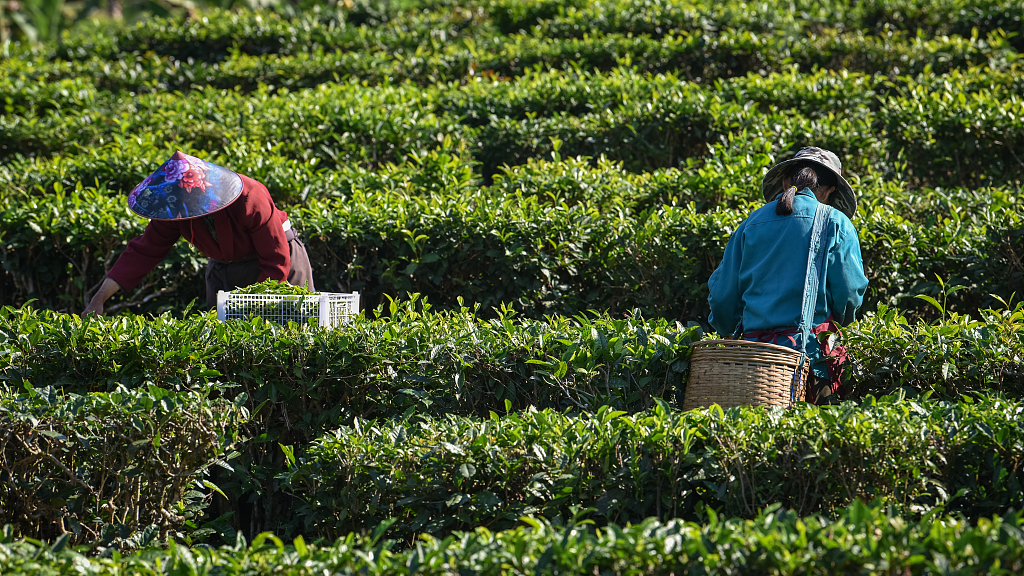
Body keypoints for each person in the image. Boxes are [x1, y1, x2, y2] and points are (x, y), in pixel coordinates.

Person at [707, 147, 869, 404]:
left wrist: (727, 328)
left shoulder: (750, 223)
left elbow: (723, 297)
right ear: (830, 191)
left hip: (755, 359)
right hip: (813, 359)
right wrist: (839, 321)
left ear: (785, 181)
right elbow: (849, 293)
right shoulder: (835, 222)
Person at [81, 151, 314, 316]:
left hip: (280, 263)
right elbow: (143, 252)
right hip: (225, 269)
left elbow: (275, 258)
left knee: (285, 327)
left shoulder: (249, 196)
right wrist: (98, 299)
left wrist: (256, 305)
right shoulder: (175, 209)